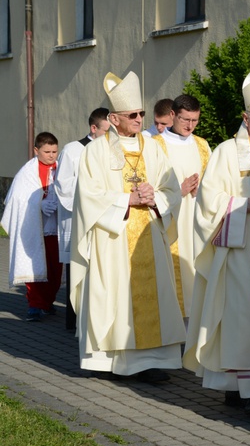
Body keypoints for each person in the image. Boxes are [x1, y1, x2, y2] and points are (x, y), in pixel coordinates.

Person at [183, 65, 250, 417]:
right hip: (241, 252)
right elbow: (210, 205)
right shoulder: (228, 152)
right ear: (246, 117)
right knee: (242, 317)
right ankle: (247, 393)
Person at [70, 71, 184, 383]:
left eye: (141, 114)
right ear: (115, 118)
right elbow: (87, 196)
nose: (139, 119)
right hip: (114, 238)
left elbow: (171, 189)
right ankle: (112, 362)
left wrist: (155, 197)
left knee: (153, 297)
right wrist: (127, 199)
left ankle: (149, 362)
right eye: (132, 115)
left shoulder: (154, 147)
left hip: (148, 232)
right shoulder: (96, 150)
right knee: (116, 297)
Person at [152, 94, 210, 323]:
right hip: (171, 224)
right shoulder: (155, 146)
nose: (190, 126)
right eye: (185, 119)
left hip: (196, 223)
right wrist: (180, 190)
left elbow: (215, 183)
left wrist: (202, 190)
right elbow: (150, 185)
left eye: (195, 120)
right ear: (173, 115)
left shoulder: (202, 145)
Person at [55, 107, 110, 329]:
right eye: (107, 130)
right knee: (77, 268)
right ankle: (74, 319)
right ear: (93, 128)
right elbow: (64, 185)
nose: (110, 135)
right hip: (78, 217)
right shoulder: (73, 150)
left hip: (103, 217)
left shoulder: (110, 149)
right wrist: (86, 205)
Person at [1, 132, 63, 322]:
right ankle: (35, 305)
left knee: (54, 269)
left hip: (55, 226)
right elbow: (18, 200)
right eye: (47, 151)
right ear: (36, 150)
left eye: (54, 151)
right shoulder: (26, 173)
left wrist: (60, 204)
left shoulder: (62, 168)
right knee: (34, 266)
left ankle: (48, 301)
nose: (51, 155)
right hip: (35, 228)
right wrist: (39, 205)